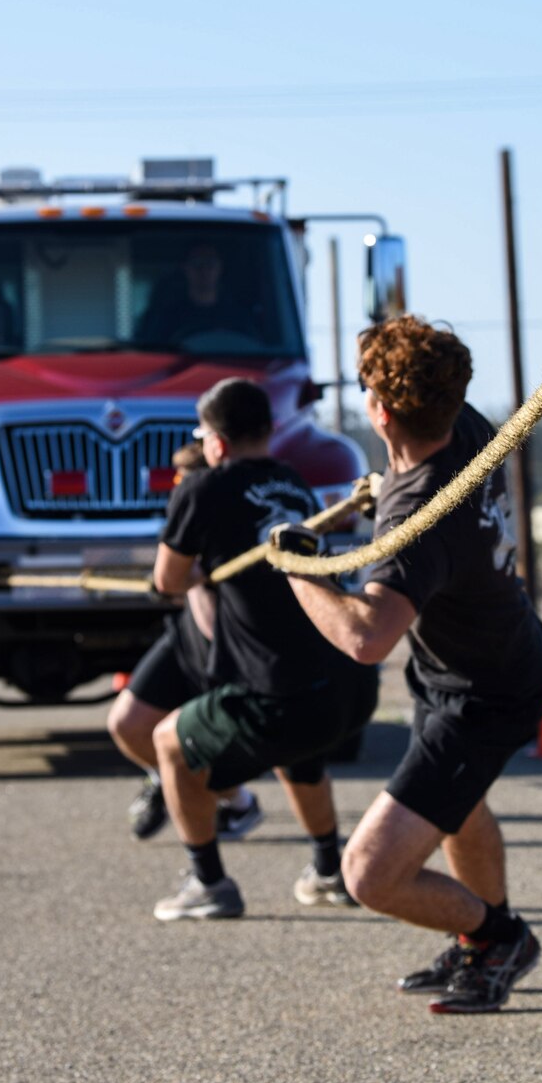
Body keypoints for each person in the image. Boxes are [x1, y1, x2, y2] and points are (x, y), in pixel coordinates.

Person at [275, 316, 542, 1014]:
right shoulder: (471, 427)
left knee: (368, 872)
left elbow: (367, 637)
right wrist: (383, 483)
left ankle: (500, 937)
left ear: (379, 409)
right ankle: (477, 946)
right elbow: (417, 464)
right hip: (467, 663)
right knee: (460, 809)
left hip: (485, 693)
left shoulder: (418, 516)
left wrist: (300, 571)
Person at [144, 377, 378, 921]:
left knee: (168, 742)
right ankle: (326, 870)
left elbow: (168, 582)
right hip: (344, 686)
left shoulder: (200, 489)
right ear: (269, 432)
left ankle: (209, 884)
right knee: (298, 752)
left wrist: (199, 570)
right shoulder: (292, 482)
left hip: (282, 693)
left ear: (216, 443)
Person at [107, 440, 264, 843]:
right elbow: (170, 580)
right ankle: (190, 788)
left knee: (204, 745)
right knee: (127, 724)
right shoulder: (187, 509)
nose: (179, 495)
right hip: (189, 635)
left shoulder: (246, 516)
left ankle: (237, 817)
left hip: (238, 646)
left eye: (185, 486)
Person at [133, 241, 257, 346]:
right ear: (185, 268)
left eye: (210, 264)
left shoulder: (238, 318)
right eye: (197, 264)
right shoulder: (166, 318)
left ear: (220, 268)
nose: (204, 270)